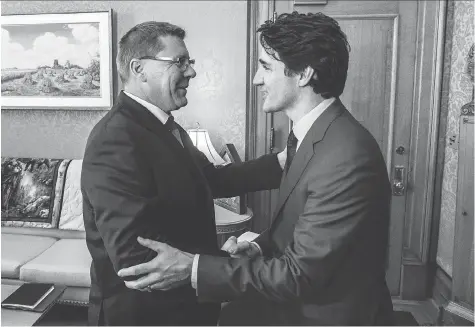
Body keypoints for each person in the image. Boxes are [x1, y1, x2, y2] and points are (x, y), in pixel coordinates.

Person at [117, 12, 394, 326]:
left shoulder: (345, 156)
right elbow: (293, 229)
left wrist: (193, 268)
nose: (256, 79)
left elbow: (299, 274)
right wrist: (255, 247)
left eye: (265, 67)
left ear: (303, 74)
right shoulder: (312, 138)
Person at [81, 21, 284, 326]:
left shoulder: (166, 126)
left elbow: (212, 178)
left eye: (190, 62)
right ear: (139, 69)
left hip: (186, 309)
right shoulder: (115, 139)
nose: (191, 71)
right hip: (148, 316)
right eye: (180, 62)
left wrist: (282, 163)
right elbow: (136, 259)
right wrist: (223, 267)